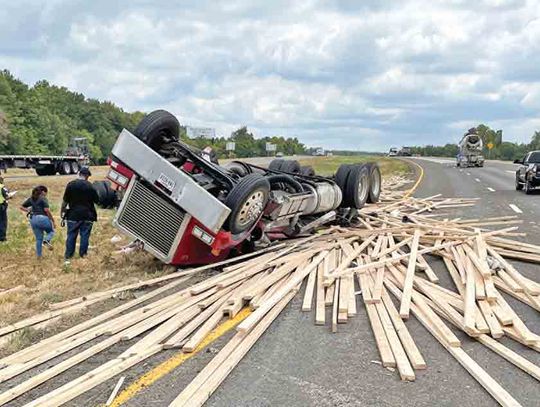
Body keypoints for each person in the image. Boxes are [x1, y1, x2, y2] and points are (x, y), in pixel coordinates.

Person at [61, 166, 99, 262]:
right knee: (85, 236)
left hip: (73, 215)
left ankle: (68, 255)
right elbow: (97, 200)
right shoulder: (90, 186)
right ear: (87, 176)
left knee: (71, 235)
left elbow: (65, 201)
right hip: (87, 215)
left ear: (79, 174)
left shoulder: (71, 185)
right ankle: (83, 255)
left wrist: (62, 211)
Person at [20, 185, 56, 257]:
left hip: (33, 219)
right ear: (43, 192)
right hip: (43, 218)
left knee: (38, 239)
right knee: (51, 232)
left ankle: (39, 256)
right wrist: (52, 220)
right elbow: (46, 210)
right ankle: (46, 240)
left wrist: (28, 210)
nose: (46, 194)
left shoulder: (31, 199)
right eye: (46, 193)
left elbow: (21, 207)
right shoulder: (43, 198)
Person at [0, 176, 10, 241]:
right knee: (2, 221)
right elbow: (7, 196)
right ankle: (2, 237)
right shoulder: (2, 187)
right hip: (1, 206)